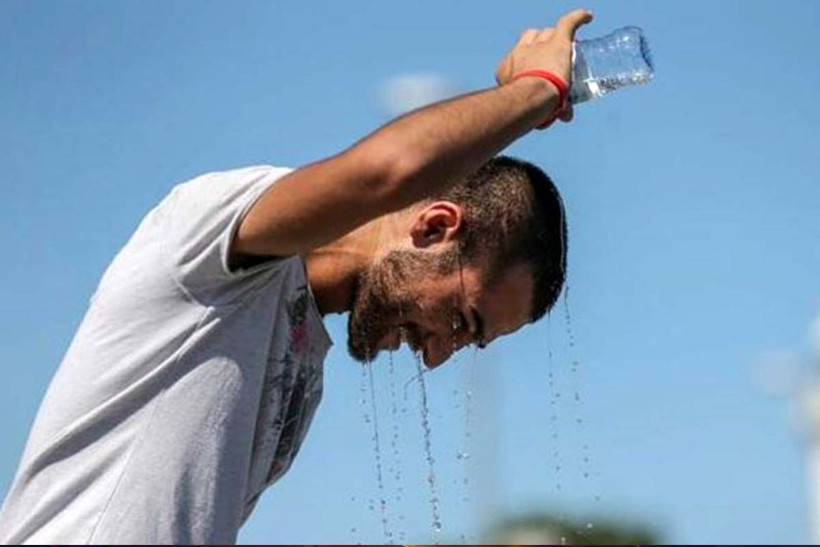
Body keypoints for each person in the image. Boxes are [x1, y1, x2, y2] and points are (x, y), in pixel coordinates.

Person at [0, 8, 592, 544]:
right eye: (462, 321)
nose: (438, 357)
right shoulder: (215, 243)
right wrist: (539, 90)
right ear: (434, 228)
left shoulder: (303, 359)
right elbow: (389, 172)